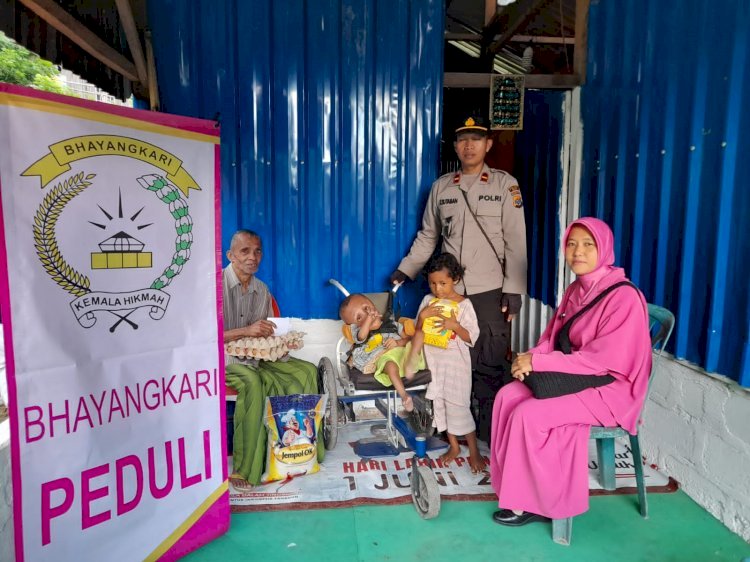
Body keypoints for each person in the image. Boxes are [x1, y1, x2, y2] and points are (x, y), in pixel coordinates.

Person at [489, 217, 652, 526]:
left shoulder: (624, 297)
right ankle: (513, 488)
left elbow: (601, 362)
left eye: (588, 245)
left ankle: (537, 503)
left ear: (604, 249)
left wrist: (538, 364)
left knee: (530, 414)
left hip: (611, 389)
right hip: (579, 374)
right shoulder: (577, 288)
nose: (578, 252)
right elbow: (553, 338)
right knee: (507, 396)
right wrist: (529, 358)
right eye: (572, 244)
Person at [390, 114, 527, 441]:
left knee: (489, 361)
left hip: (489, 290)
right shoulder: (441, 188)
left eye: (476, 139)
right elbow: (428, 236)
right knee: (443, 359)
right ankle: (450, 428)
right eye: (463, 139)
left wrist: (514, 289)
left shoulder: (504, 185)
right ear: (455, 145)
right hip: (447, 294)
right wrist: (405, 269)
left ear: (488, 144)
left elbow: (516, 240)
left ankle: (486, 432)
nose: (469, 146)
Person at [223, 229, 323, 488]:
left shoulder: (261, 289)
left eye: (257, 251)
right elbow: (204, 335)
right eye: (244, 251)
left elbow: (265, 334)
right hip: (221, 359)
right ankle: (245, 469)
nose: (252, 257)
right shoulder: (214, 286)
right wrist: (246, 331)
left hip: (256, 357)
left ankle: (305, 449)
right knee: (253, 382)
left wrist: (280, 343)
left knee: (307, 371)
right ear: (230, 255)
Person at [411, 253, 485, 472]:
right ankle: (454, 446)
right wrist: (423, 317)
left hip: (456, 366)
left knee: (459, 406)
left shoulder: (464, 305)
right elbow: (416, 332)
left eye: (443, 283)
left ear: (456, 279)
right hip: (434, 363)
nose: (438, 289)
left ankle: (474, 451)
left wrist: (455, 326)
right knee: (440, 404)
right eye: (433, 283)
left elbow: (472, 336)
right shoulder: (427, 302)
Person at [339, 293, 426, 412]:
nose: (365, 314)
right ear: (355, 325)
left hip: (402, 353)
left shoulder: (393, 324)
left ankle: (411, 363)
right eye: (359, 318)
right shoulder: (359, 331)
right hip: (383, 356)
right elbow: (361, 336)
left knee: (419, 336)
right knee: (390, 365)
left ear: (373, 305)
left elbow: (407, 339)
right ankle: (405, 396)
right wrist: (368, 321)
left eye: (366, 308)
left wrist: (399, 342)